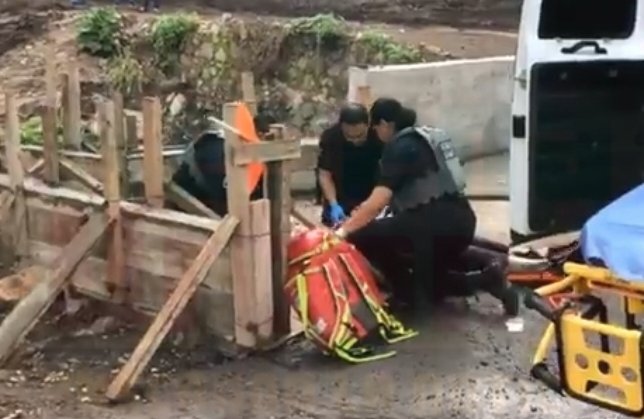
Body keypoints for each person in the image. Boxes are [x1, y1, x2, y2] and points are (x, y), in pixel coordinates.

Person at [334, 98, 514, 313]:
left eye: (375, 127)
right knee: (433, 283)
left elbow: (380, 199)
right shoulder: (428, 137)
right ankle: (487, 280)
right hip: (462, 220)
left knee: (363, 235)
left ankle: (404, 292)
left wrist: (345, 230)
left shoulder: (399, 146)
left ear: (385, 124)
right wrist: (363, 213)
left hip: (431, 224)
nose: (376, 133)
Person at [170, 115, 272, 216]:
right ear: (259, 135)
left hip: (209, 205)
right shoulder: (215, 148)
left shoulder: (253, 158)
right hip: (185, 205)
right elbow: (221, 194)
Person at [317, 103, 383, 227]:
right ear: (341, 126)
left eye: (359, 136)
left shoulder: (378, 137)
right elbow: (325, 174)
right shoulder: (331, 137)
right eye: (349, 137)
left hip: (370, 191)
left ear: (367, 126)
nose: (354, 141)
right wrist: (333, 204)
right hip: (340, 192)